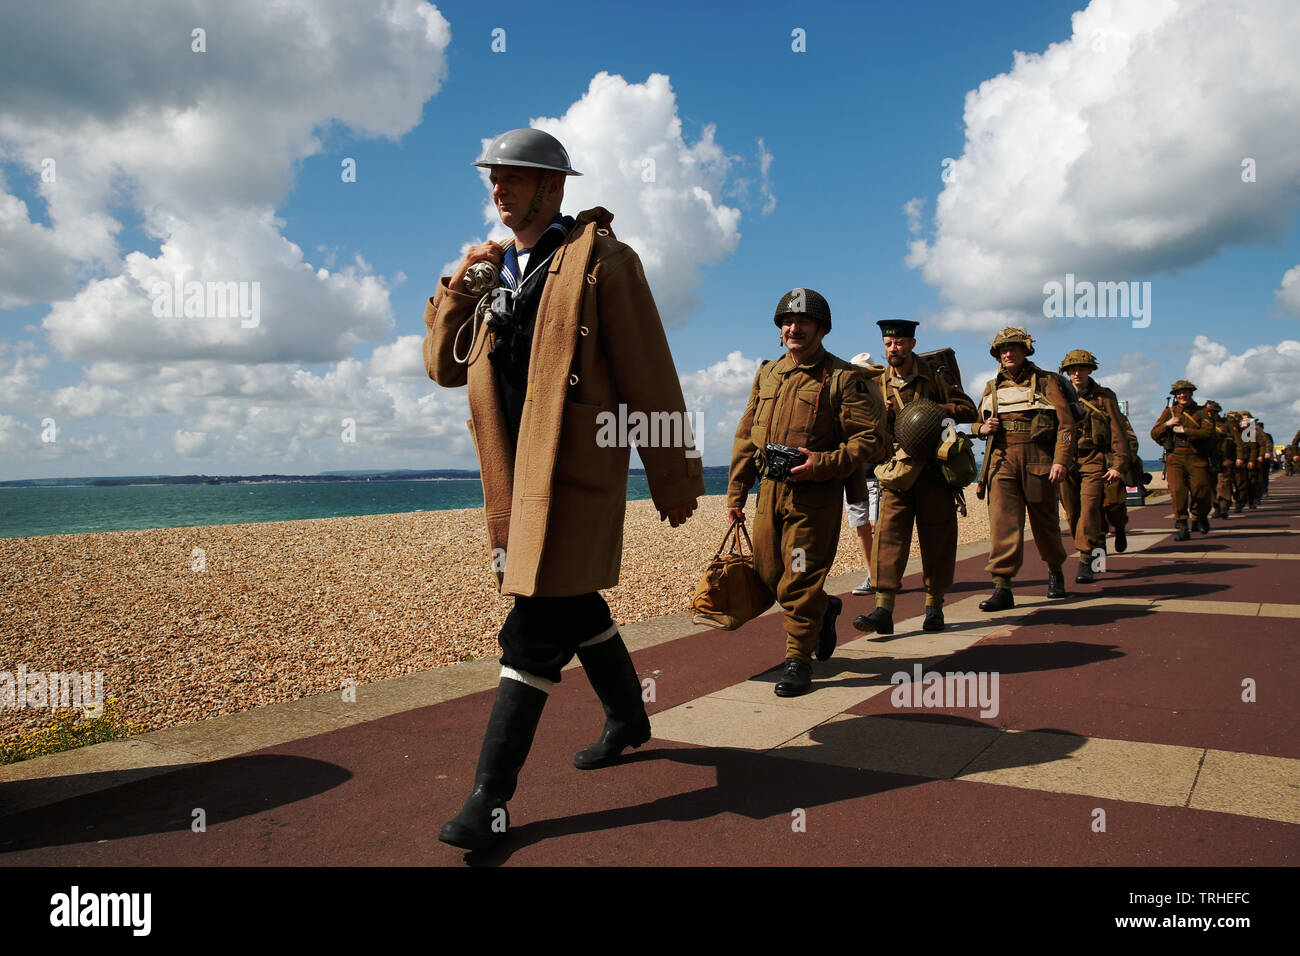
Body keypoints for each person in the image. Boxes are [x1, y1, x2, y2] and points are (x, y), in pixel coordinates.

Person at [423, 128, 704, 851]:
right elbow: (441, 368)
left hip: (574, 475)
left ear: (554, 187)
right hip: (512, 481)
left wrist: (672, 475)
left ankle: (489, 798)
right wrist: (460, 283)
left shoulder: (603, 261)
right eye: (494, 178)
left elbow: (648, 371)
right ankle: (628, 716)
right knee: (573, 603)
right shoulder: (490, 274)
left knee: (533, 625)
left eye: (515, 177)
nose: (499, 188)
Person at [728, 289, 888, 697]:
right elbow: (747, 436)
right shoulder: (767, 374)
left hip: (812, 500)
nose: (793, 328)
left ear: (821, 329)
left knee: (798, 576)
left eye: (802, 322)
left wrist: (823, 463)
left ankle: (798, 660)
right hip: (770, 495)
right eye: (786, 322)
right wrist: (736, 493)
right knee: (768, 575)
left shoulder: (841, 378)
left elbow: (870, 441)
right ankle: (825, 608)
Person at [852, 319, 976, 634]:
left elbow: (967, 410)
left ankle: (934, 607)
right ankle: (883, 609)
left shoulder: (935, 376)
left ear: (912, 344)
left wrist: (934, 410)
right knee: (888, 539)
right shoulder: (878, 383)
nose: (894, 349)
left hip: (935, 470)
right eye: (889, 344)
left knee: (937, 540)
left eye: (900, 343)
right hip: (898, 472)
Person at [974, 327, 1076, 610]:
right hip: (1001, 458)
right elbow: (975, 421)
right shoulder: (991, 386)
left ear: (1025, 351)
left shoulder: (1047, 382)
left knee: (1045, 524)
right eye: (1002, 350)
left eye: (1013, 348)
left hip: (1038, 458)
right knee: (1003, 526)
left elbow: (1066, 426)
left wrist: (1060, 460)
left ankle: (1055, 571)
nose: (1007, 354)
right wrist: (981, 427)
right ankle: (1002, 586)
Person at [1057, 350, 1129, 584]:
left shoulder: (1105, 397)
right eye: (1072, 369)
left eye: (1081, 368)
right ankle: (1098, 548)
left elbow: (1118, 431)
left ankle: (1085, 559)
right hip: (1067, 460)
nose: (1076, 373)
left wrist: (1118, 463)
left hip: (1094, 458)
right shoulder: (1059, 396)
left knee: (1090, 510)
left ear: (1090, 370)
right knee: (1073, 513)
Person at [1151, 381, 1214, 539]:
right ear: (1175, 396)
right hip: (1175, 457)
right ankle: (1181, 524)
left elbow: (1208, 433)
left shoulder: (1202, 412)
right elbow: (1154, 433)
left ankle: (1199, 516)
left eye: (1185, 392)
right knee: (1178, 491)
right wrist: (1167, 424)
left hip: (1197, 456)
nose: (1182, 395)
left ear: (1191, 393)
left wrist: (1185, 430)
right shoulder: (1169, 412)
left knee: (1202, 491)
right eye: (1179, 393)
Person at [846, 351, 884, 595]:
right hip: (854, 476)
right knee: (862, 529)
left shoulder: (882, 401)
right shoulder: (846, 402)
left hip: (878, 476)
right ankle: (872, 576)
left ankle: (883, 575)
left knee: (876, 528)